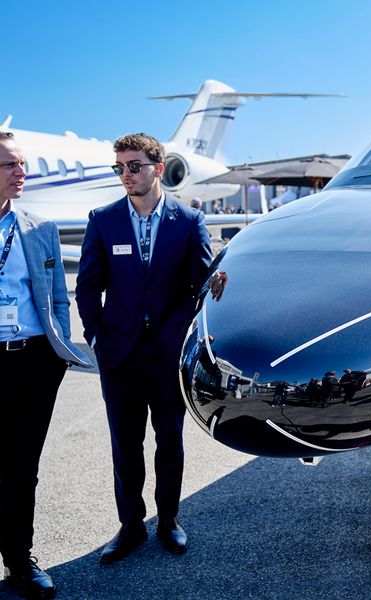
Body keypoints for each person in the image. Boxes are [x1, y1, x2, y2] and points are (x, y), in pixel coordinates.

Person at [76, 133, 212, 564]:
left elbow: (202, 285)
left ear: (157, 167)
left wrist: (186, 333)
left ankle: (168, 520)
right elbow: (87, 287)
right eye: (119, 168)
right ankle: (131, 525)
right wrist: (96, 336)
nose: (126, 175)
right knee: (125, 445)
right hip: (120, 354)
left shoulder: (189, 221)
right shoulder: (103, 219)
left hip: (166, 356)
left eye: (134, 166)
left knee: (169, 441)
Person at [0, 132, 93, 599]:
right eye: (10, 165)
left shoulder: (40, 227)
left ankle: (20, 560)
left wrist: (56, 352)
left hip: (34, 362)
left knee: (22, 466)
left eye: (21, 164)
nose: (22, 173)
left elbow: (58, 295)